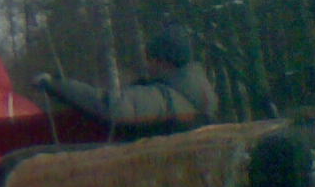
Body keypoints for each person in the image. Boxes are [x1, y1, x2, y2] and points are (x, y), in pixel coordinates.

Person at [32, 23, 218, 137]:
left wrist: (55, 85)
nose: (148, 65)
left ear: (164, 61)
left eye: (151, 59)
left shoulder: (165, 98)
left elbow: (111, 106)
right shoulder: (199, 95)